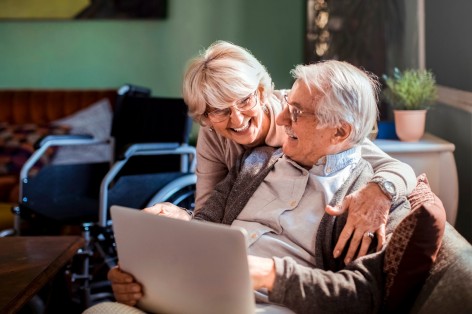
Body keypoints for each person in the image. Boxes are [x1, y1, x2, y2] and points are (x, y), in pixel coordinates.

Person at [106, 60, 411, 313]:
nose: (280, 118)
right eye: (287, 105)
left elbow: (363, 296)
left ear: (339, 131)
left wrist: (270, 274)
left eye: (296, 112)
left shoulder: (370, 202)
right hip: (196, 290)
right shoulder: (255, 162)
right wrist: (142, 269)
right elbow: (205, 223)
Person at [183, 41, 416, 261]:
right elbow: (207, 213)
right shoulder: (214, 134)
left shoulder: (304, 116)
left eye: (244, 101)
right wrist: (183, 219)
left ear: (262, 92)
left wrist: (380, 191)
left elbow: (390, 164)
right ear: (206, 117)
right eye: (220, 111)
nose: (237, 118)